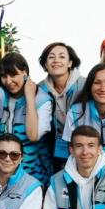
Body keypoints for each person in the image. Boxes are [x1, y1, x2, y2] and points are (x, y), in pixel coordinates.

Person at [0, 52, 53, 185]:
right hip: (4, 172)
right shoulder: (0, 96)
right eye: (4, 76)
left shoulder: (42, 100)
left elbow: (33, 136)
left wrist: (30, 98)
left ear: (25, 72)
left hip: (34, 175)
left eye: (13, 75)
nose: (8, 81)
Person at [37, 42, 86, 170]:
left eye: (62, 56)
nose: (56, 60)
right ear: (45, 64)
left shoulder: (85, 85)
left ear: (70, 63)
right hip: (52, 147)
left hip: (82, 146)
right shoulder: (39, 89)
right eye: (51, 57)